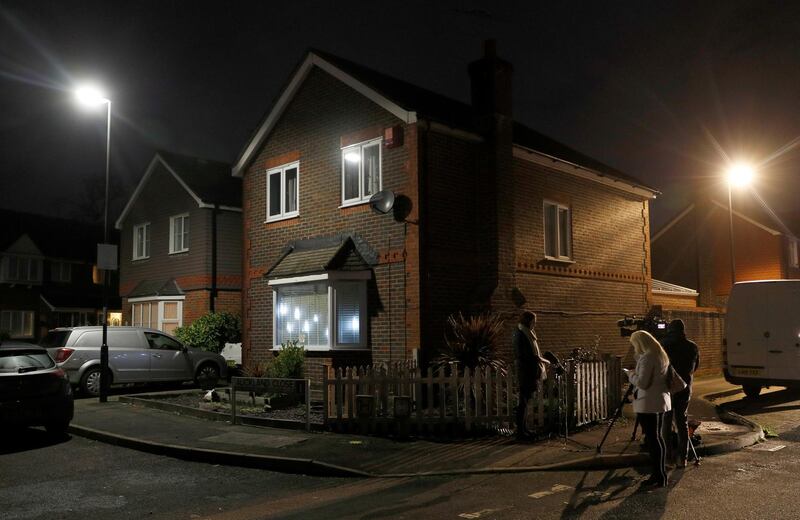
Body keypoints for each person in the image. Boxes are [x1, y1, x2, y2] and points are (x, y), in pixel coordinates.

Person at [625, 330, 672, 487]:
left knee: (652, 440)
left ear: (640, 343)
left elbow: (643, 382)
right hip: (659, 401)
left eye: (634, 344)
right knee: (658, 438)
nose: (633, 347)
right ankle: (661, 475)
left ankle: (657, 476)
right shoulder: (659, 354)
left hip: (648, 403)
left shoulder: (648, 357)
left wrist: (630, 374)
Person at [660, 319, 700, 468]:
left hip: (668, 388)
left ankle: (667, 458)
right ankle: (682, 458)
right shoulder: (692, 346)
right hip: (684, 388)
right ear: (683, 330)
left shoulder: (663, 344)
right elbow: (695, 367)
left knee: (666, 421)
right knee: (682, 422)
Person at [512, 311, 550, 439]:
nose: (535, 324)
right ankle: (520, 432)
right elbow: (525, 355)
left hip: (528, 371)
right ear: (528, 321)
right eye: (533, 321)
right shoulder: (521, 334)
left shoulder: (527, 333)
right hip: (525, 372)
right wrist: (539, 359)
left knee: (525, 401)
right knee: (523, 402)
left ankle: (524, 429)